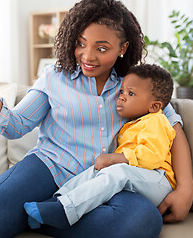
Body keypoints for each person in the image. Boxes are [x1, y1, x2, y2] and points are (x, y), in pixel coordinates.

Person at [0, 0, 193, 237]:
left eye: (101, 48)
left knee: (142, 223)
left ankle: (33, 216)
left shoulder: (136, 84)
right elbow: (14, 126)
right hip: (49, 168)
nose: (87, 56)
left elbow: (173, 128)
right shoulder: (55, 78)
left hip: (102, 184)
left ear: (122, 49)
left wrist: (185, 190)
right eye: (80, 43)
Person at [24, 63, 177, 229]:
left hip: (158, 181)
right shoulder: (132, 124)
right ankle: (56, 202)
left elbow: (153, 156)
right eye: (122, 92)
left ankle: (64, 212)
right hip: (139, 177)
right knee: (94, 171)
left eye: (131, 93)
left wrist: (116, 158)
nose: (122, 97)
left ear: (154, 106)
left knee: (117, 171)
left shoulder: (157, 121)